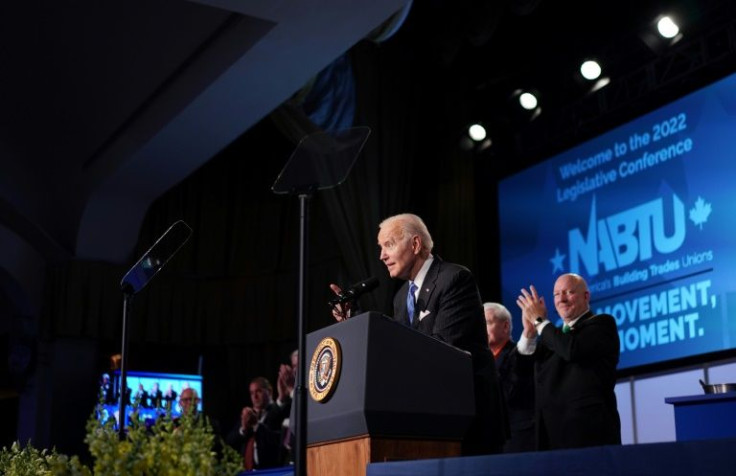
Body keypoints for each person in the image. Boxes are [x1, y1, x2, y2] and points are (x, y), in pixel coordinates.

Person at [330, 213, 507, 455]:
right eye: (380, 247)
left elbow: (445, 351)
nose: (382, 255)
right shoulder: (401, 297)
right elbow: (399, 352)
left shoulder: (453, 279)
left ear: (415, 244)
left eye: (389, 245)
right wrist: (355, 321)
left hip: (469, 421)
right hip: (428, 422)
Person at [516, 272, 621, 450]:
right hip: (550, 437)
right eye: (556, 294)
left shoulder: (602, 324)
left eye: (568, 292)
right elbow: (521, 371)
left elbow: (571, 350)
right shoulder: (551, 337)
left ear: (586, 296)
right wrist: (529, 333)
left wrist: (540, 321)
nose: (561, 299)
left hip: (589, 435)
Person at [484, 302, 535, 453]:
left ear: (505, 326)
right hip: (490, 442)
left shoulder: (520, 355)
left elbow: (509, 393)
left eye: (487, 322)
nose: (481, 329)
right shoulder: (482, 361)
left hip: (516, 442)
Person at [226, 376, 287, 471]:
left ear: (269, 391)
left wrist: (256, 425)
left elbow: (276, 440)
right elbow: (229, 441)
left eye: (258, 391)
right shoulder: (248, 415)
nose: (254, 397)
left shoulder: (278, 411)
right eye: (251, 393)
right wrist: (243, 429)